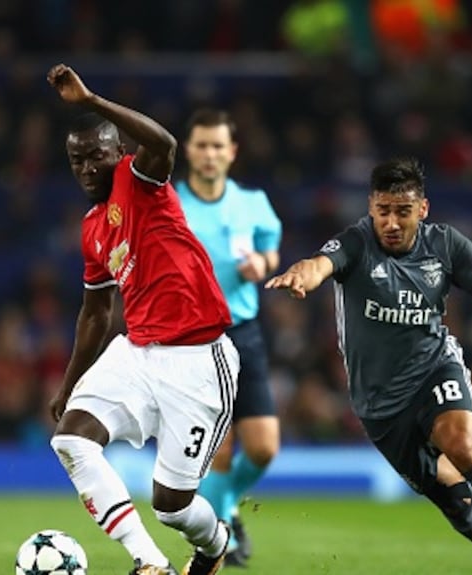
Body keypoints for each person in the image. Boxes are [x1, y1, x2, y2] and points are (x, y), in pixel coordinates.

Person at [265, 158, 472, 575]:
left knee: (461, 443)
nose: (391, 222)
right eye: (383, 211)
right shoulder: (355, 242)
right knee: (458, 505)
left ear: (422, 209)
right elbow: (320, 264)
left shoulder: (447, 246)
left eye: (402, 212)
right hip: (380, 405)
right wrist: (302, 274)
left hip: (434, 369)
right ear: (371, 207)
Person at [46, 63, 240, 575]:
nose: (87, 169)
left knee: (172, 507)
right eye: (76, 161)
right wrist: (71, 382)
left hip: (199, 360)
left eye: (96, 157)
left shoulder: (140, 182)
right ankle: (150, 564)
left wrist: (91, 101)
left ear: (119, 155)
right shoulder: (92, 229)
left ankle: (215, 542)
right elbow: (95, 312)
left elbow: (166, 144)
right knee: (70, 439)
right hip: (136, 353)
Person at [175, 109, 282, 567]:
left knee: (263, 447)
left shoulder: (252, 203)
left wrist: (263, 264)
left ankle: (228, 504)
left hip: (244, 331)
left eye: (218, 145)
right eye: (201, 144)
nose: (210, 153)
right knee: (218, 446)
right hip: (194, 337)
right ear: (188, 150)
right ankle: (220, 533)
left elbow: (271, 248)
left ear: (232, 152)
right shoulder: (171, 204)